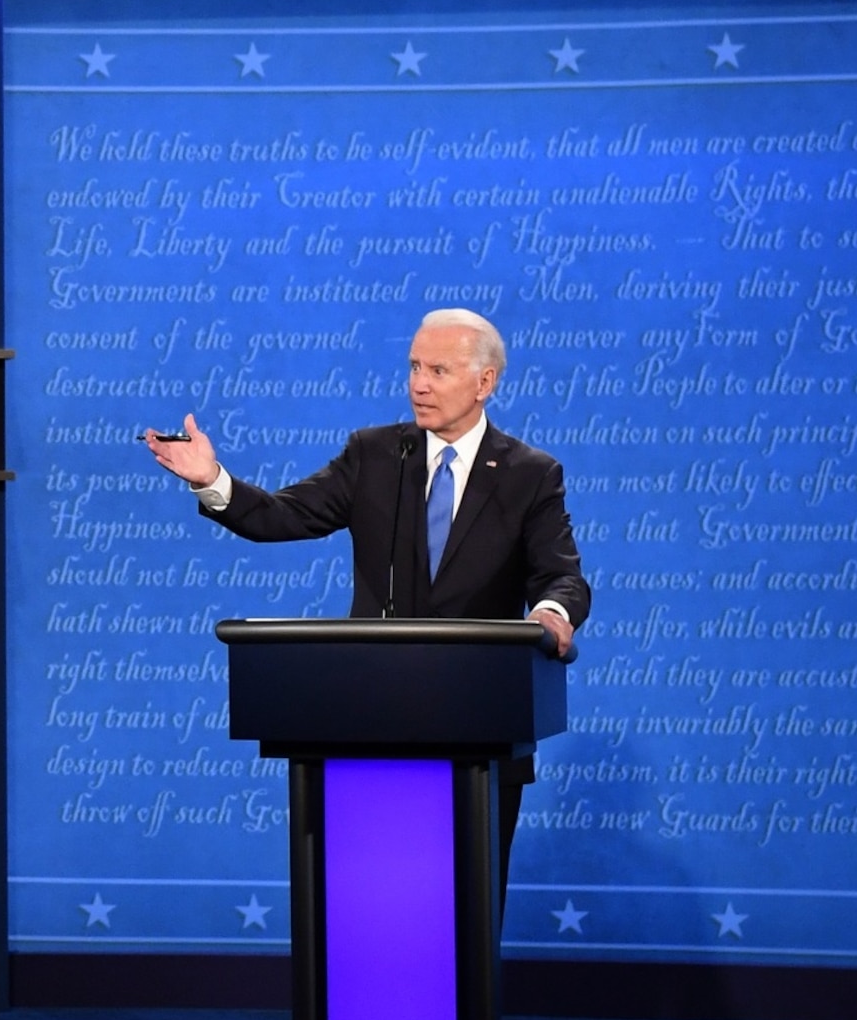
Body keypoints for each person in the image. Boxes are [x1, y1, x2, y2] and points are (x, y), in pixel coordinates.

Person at [137, 306, 589, 898]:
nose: (419, 384)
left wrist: (550, 617)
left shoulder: (530, 474)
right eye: (414, 367)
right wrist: (212, 479)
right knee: (378, 899)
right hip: (373, 718)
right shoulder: (376, 455)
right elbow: (285, 515)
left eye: (438, 370)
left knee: (465, 905)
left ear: (485, 383)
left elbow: (562, 578)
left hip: (482, 720)